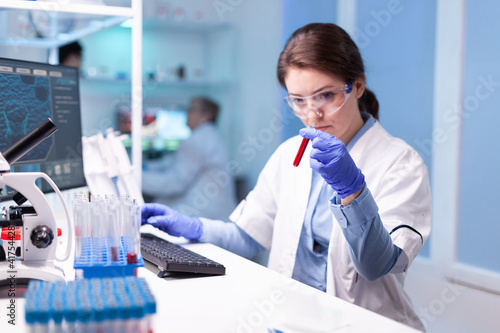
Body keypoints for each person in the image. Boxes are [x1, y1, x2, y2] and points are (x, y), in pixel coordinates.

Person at [141, 23, 431, 331]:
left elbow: (376, 267)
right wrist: (195, 227)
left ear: (357, 86)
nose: (312, 114)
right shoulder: (290, 154)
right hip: (291, 321)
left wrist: (353, 192)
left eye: (326, 96)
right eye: (298, 100)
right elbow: (247, 237)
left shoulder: (400, 163)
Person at [142, 97, 237, 220]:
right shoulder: (207, 136)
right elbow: (171, 164)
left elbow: (175, 183)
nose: (186, 113)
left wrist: (136, 177)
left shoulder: (200, 140)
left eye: (191, 109)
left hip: (207, 216)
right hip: (215, 214)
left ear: (206, 115)